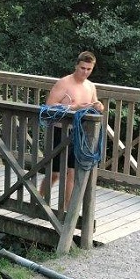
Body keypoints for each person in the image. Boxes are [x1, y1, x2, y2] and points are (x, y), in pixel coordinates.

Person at [39, 51, 104, 208]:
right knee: (55, 173)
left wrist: (98, 106)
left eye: (89, 69)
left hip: (79, 133)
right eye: (82, 68)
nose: (85, 72)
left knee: (72, 172)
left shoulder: (91, 86)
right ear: (76, 66)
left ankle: (67, 210)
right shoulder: (64, 83)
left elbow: (94, 103)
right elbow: (49, 106)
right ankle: (38, 200)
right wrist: (73, 107)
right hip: (60, 131)